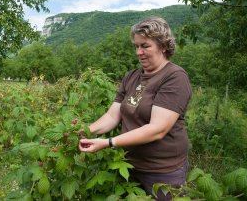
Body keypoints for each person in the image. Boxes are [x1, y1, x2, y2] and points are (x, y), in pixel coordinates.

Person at [79, 17, 192, 200]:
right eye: (136, 46)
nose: (139, 52)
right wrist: (83, 131)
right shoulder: (132, 76)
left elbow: (158, 129)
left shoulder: (174, 77)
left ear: (163, 46)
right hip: (130, 165)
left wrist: (108, 143)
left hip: (162, 172)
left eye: (145, 46)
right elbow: (112, 116)